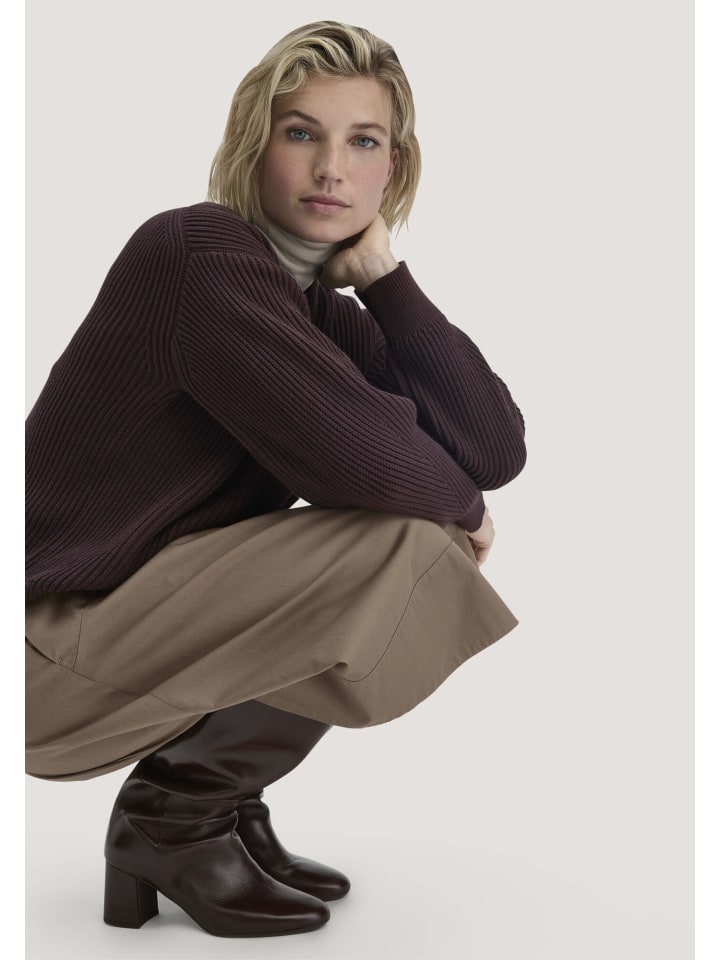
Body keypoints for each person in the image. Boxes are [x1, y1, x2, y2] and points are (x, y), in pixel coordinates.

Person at [25, 20, 527, 939]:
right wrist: (463, 509)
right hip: (42, 652)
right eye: (302, 133)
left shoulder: (312, 309)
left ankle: (221, 804)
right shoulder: (199, 256)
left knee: (403, 536)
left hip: (116, 633)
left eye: (363, 142)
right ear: (253, 146)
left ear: (393, 168)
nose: (332, 169)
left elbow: (491, 448)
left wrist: (387, 282)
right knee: (399, 544)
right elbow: (378, 464)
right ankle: (171, 818)